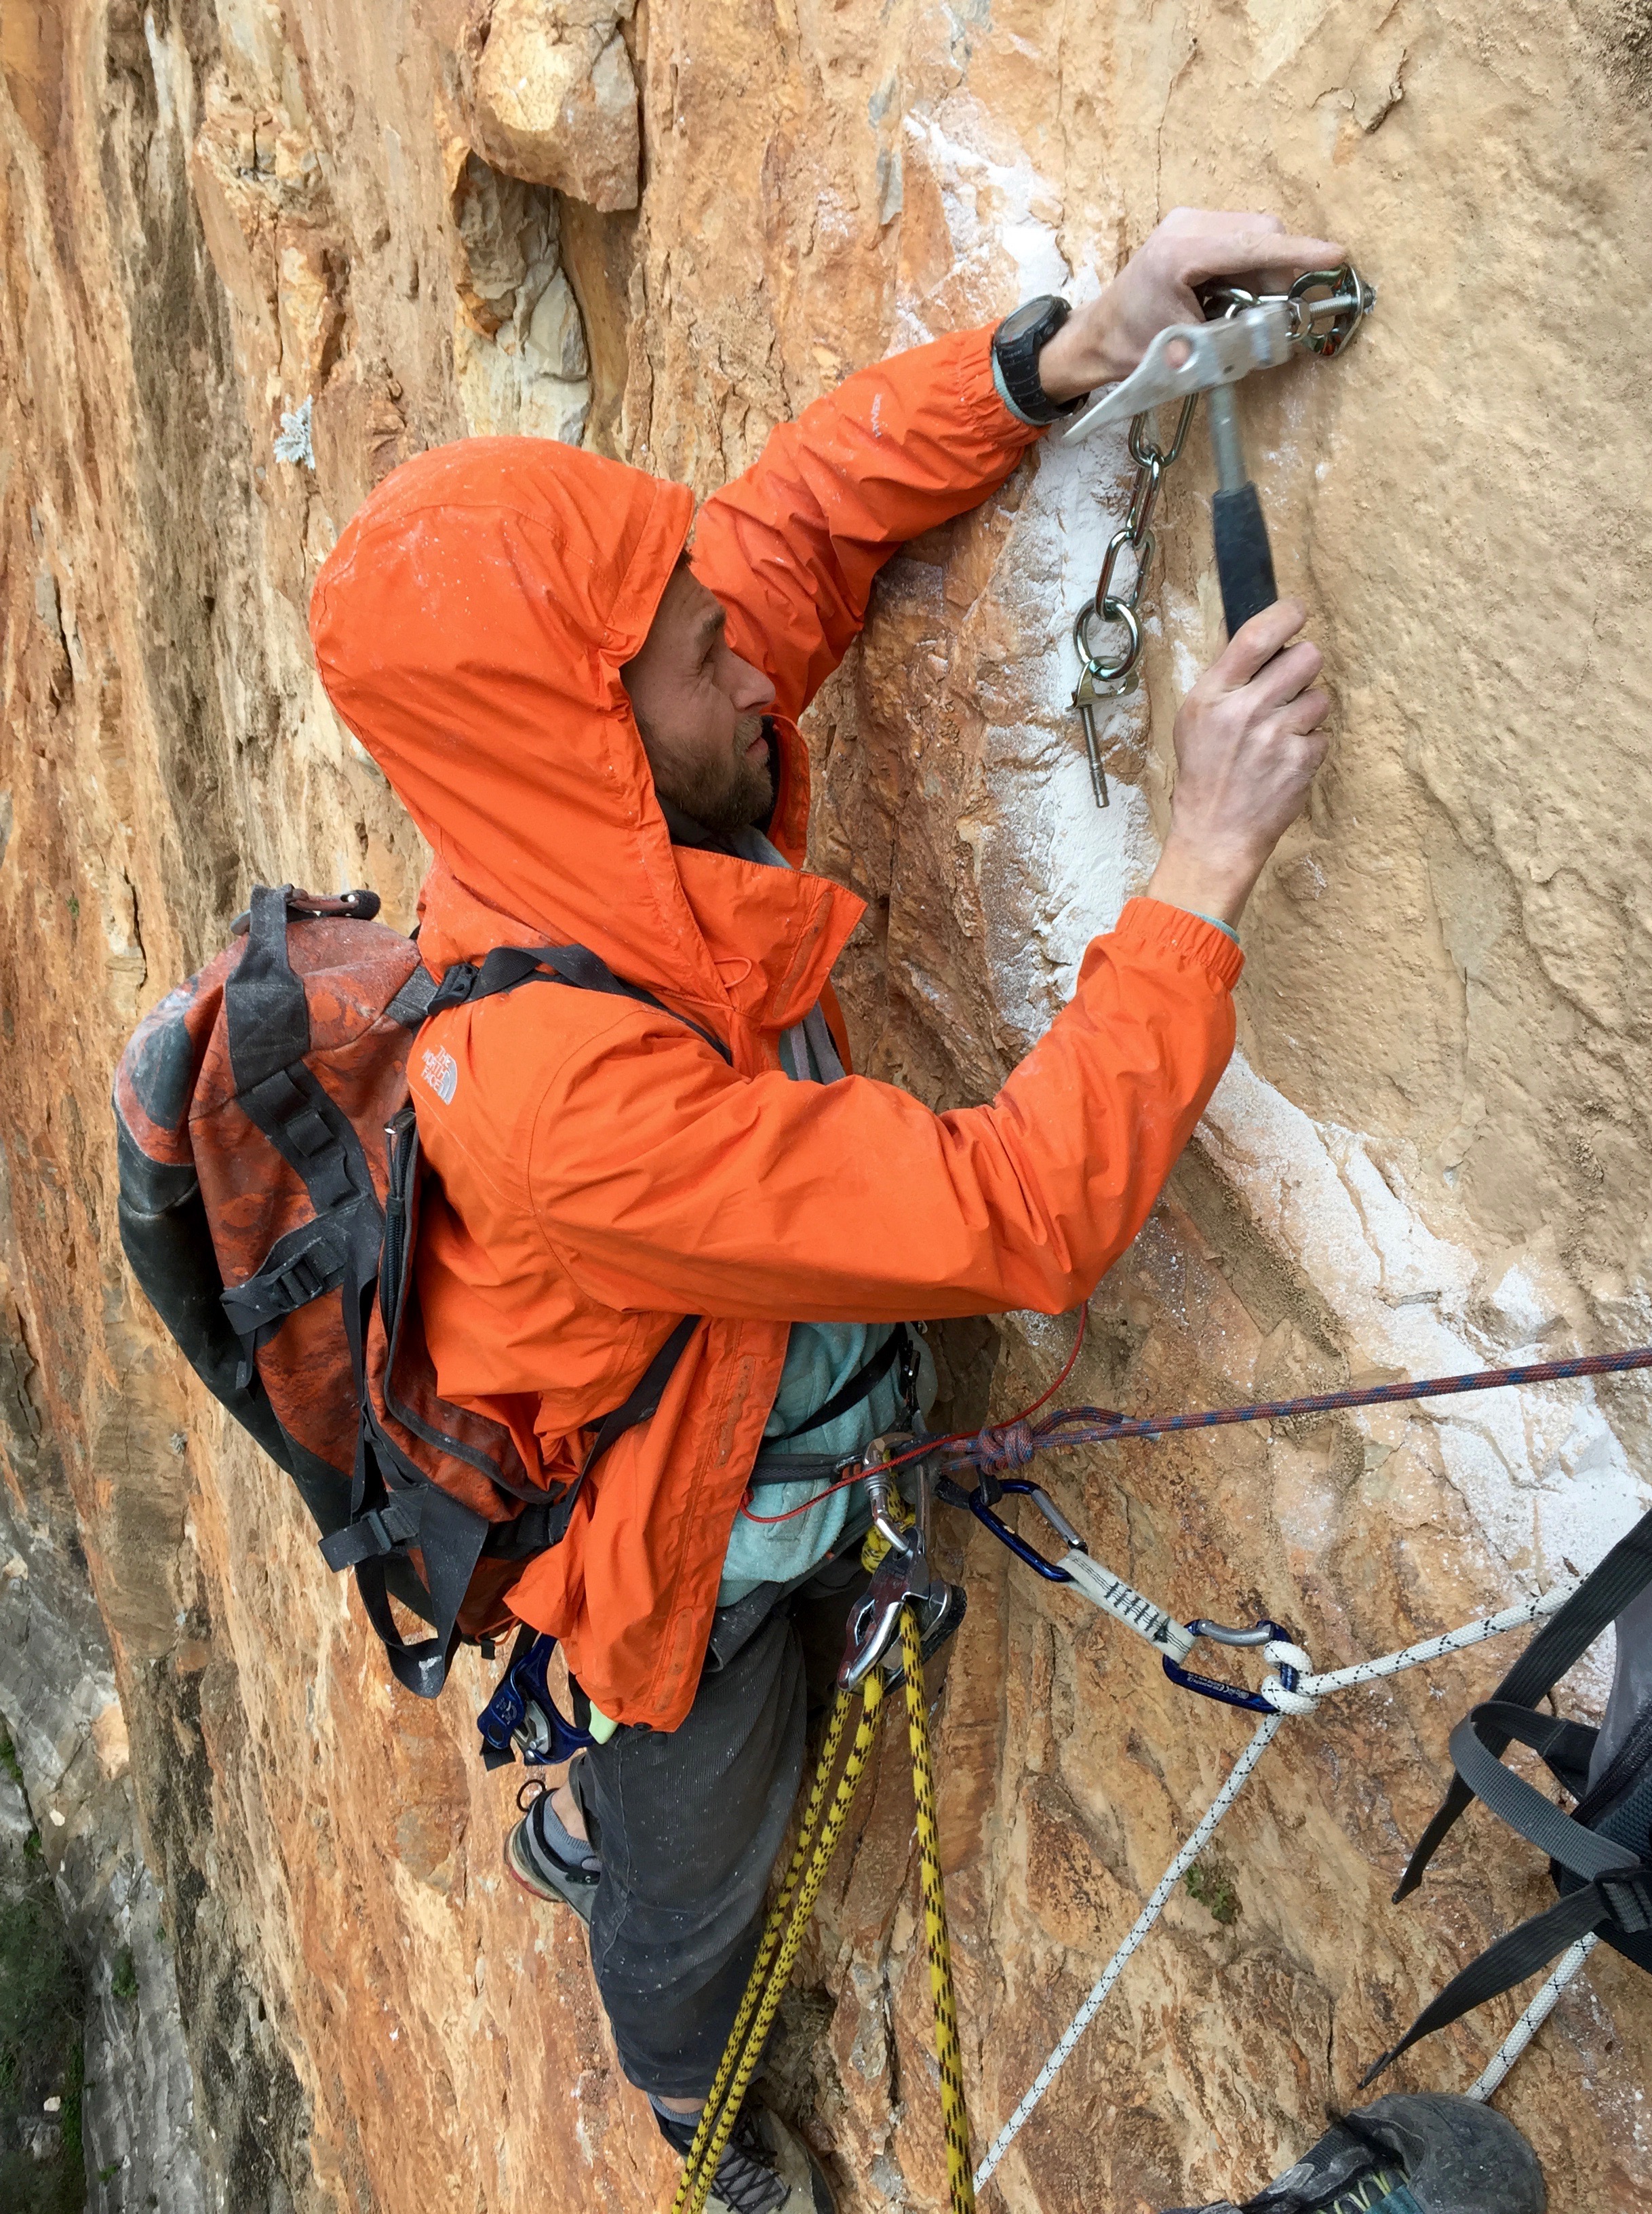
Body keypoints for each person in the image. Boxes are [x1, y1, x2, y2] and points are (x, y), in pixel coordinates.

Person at [309, 206, 1339, 2214]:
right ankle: (697, 2104)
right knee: (703, 1873)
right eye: (697, 660)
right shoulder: (560, 1099)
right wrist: (1202, 866)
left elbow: (788, 526)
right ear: (594, 737)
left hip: (760, 1419)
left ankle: (627, 1847)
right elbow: (1018, 1210)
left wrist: (1076, 344)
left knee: (747, 1743)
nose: (749, 666)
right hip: (663, 1550)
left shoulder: (626, 787)